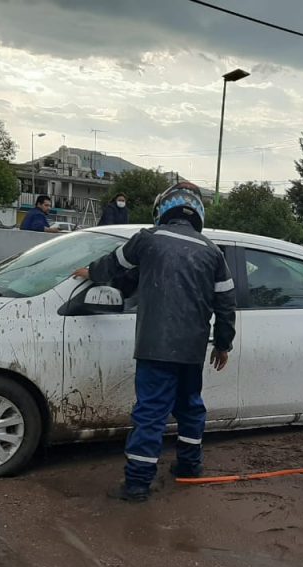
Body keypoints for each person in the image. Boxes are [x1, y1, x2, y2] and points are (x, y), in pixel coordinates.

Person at [72, 181, 236, 502]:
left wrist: (90, 272)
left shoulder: (147, 240)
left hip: (154, 347)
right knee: (190, 408)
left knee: (150, 413)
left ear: (163, 211)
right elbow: (226, 304)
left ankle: (137, 484)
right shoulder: (212, 252)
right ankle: (189, 467)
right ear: (197, 214)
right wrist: (223, 344)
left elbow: (112, 266)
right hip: (192, 350)